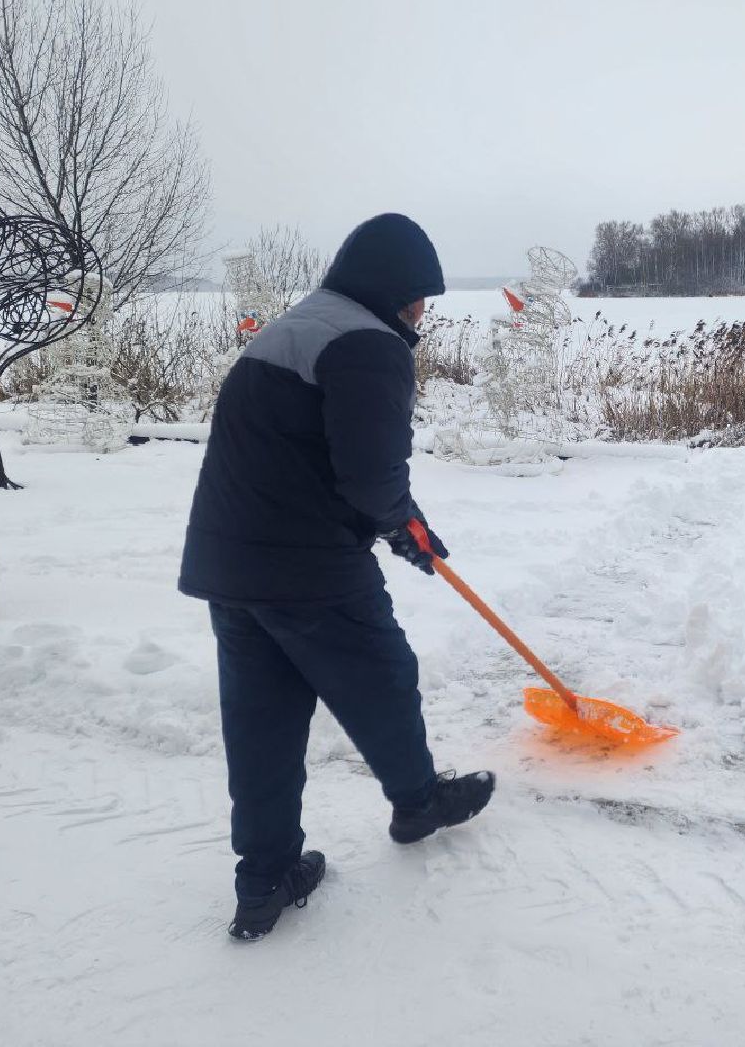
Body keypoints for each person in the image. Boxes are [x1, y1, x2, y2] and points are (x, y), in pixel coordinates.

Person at [178, 214, 495, 942]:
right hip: (308, 566)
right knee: (382, 677)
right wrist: (403, 524)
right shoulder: (368, 345)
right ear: (395, 291)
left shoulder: (296, 326)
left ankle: (264, 879)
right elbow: (371, 476)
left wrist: (401, 523)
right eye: (421, 298)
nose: (422, 313)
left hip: (231, 564)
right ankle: (418, 802)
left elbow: (311, 455)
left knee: (262, 723)